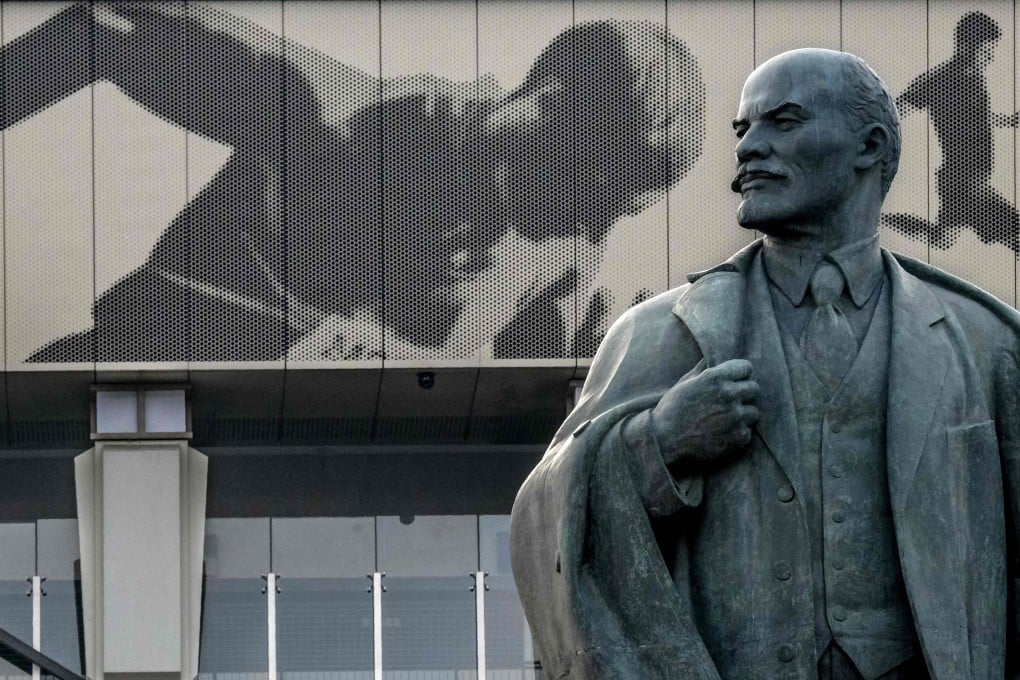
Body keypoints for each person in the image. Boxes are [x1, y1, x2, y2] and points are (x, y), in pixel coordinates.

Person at [511, 48, 1020, 680]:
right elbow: (543, 518)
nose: (750, 147)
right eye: (743, 130)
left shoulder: (985, 343)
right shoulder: (659, 334)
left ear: (869, 146)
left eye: (782, 122)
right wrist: (656, 443)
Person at [4, 2, 703, 362]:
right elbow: (100, 27)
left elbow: (536, 440)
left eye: (617, 213)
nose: (584, 233)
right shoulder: (335, 124)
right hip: (131, 427)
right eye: (583, 198)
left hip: (348, 504)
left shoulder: (573, 242)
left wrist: (586, 389)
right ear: (538, 107)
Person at [884, 11, 1019, 253]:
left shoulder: (976, 80)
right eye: (986, 52)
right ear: (967, 46)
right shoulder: (941, 80)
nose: (990, 59)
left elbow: (979, 118)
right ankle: (882, 222)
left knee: (941, 239)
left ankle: (882, 222)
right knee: (1016, 233)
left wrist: (1008, 121)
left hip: (965, 179)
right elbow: (900, 107)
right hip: (966, 183)